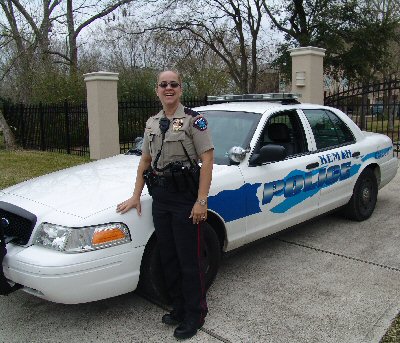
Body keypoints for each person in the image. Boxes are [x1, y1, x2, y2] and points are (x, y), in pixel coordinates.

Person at [116, 70, 214, 340]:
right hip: (160, 197)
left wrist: (200, 201)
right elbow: (145, 162)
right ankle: (179, 306)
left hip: (185, 199)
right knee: (168, 256)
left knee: (189, 259)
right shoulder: (152, 123)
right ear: (157, 90)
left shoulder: (195, 121)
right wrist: (136, 195)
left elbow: (207, 161)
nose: (168, 88)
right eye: (163, 84)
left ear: (181, 89)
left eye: (173, 84)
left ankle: (196, 313)